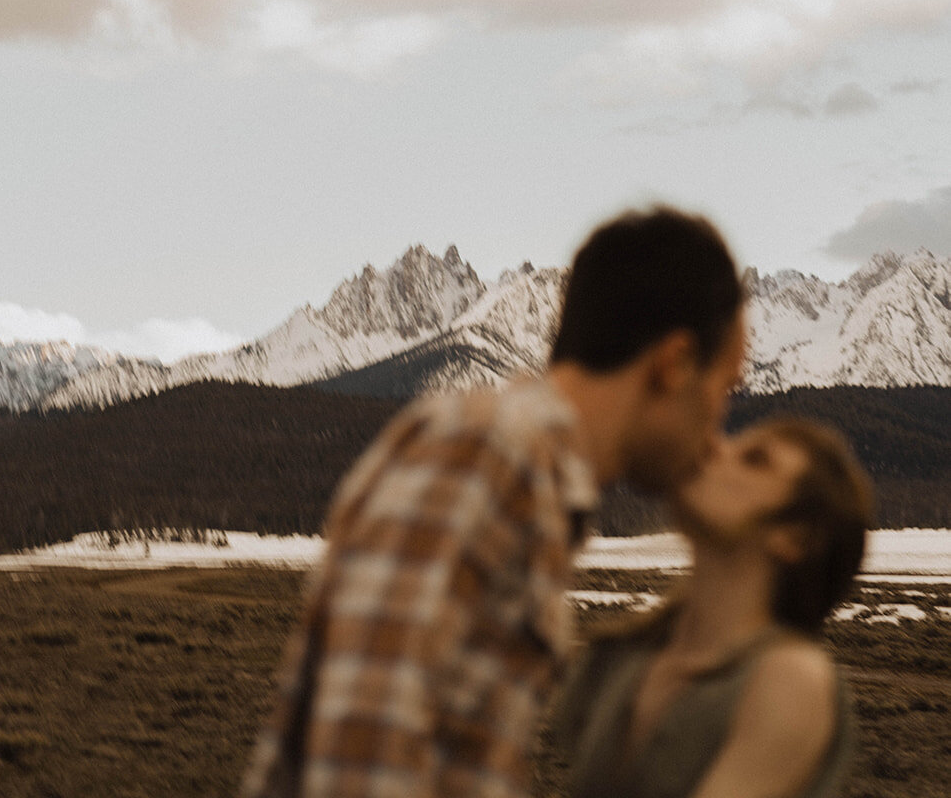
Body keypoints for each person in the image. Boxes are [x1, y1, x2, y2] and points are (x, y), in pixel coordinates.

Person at [244, 206, 746, 798]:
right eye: (726, 390)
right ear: (674, 364)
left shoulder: (527, 472)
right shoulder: (491, 453)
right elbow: (363, 750)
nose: (720, 432)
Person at [556, 418, 872, 798]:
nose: (714, 447)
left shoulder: (789, 678)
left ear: (795, 537)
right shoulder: (619, 658)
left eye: (755, 460)